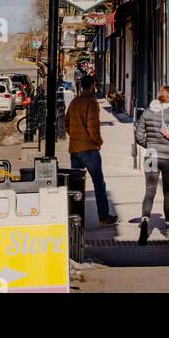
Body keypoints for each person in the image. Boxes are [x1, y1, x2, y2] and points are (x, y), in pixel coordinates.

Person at [64, 74, 118, 227]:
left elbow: (66, 122)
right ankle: (103, 216)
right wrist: (98, 141)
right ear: (92, 85)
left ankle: (75, 219)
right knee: (99, 183)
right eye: (94, 85)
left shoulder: (74, 102)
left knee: (76, 186)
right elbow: (92, 127)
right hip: (88, 149)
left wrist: (74, 135)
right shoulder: (91, 103)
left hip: (74, 149)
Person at [134, 84, 169, 243]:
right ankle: (168, 228)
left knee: (149, 191)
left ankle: (144, 223)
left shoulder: (147, 113)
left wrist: (147, 146)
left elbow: (138, 134)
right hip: (168, 157)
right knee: (168, 192)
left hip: (151, 155)